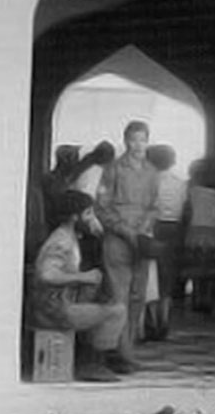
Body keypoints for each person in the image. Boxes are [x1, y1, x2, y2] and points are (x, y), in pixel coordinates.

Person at [30, 190, 127, 382]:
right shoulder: (62, 241)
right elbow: (47, 274)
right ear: (75, 217)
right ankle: (90, 363)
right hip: (53, 309)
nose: (92, 218)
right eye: (88, 213)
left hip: (58, 304)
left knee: (104, 299)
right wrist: (83, 277)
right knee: (117, 311)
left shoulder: (71, 236)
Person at [95, 120, 159, 373]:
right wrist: (124, 229)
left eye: (142, 139)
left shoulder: (152, 172)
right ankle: (118, 352)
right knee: (118, 297)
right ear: (126, 141)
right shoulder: (113, 169)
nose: (138, 145)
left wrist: (144, 227)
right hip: (118, 238)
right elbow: (101, 207)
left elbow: (154, 206)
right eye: (133, 139)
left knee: (137, 297)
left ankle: (128, 349)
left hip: (141, 238)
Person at [146, 144, 188, 341]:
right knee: (167, 276)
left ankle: (152, 322)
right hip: (175, 229)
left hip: (153, 227)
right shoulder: (181, 183)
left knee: (150, 274)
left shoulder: (148, 181)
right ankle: (165, 321)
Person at [182, 158, 215, 313]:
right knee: (210, 269)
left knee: (196, 267)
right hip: (214, 230)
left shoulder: (191, 189)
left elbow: (186, 210)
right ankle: (207, 299)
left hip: (195, 229)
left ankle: (197, 298)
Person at [69, 140, 116, 270]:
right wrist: (93, 222)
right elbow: (88, 199)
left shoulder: (85, 167)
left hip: (79, 214)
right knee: (92, 255)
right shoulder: (95, 171)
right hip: (85, 217)